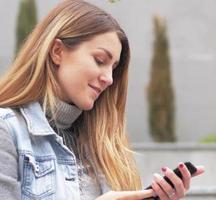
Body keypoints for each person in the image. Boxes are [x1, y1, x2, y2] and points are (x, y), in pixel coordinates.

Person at [0, 0, 204, 199]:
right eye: (100, 60)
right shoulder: (7, 130)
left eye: (113, 68)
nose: (109, 78)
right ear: (57, 52)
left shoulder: (104, 146)